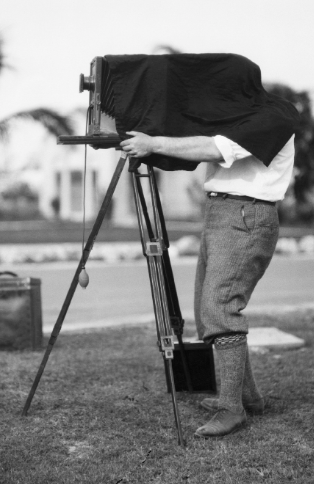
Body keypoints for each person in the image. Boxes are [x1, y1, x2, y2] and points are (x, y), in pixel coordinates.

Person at [120, 130, 295, 438]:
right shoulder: (237, 114)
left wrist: (153, 143)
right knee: (207, 309)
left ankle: (231, 409)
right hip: (220, 211)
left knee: (219, 306)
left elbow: (215, 148)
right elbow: (195, 149)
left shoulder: (271, 117)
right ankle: (248, 397)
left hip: (247, 212)